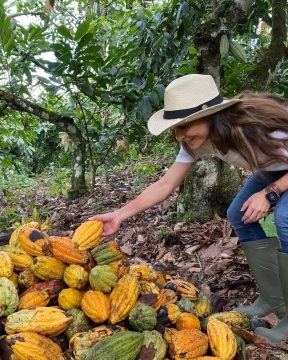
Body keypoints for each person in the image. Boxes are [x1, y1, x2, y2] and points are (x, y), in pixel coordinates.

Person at [90, 74, 288, 344]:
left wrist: (271, 193)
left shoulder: (255, 125)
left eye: (185, 125)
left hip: (280, 175)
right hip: (274, 169)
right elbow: (165, 184)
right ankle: (273, 300)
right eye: (176, 127)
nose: (179, 134)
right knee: (237, 213)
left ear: (210, 115)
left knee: (284, 218)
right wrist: (118, 215)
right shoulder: (196, 142)